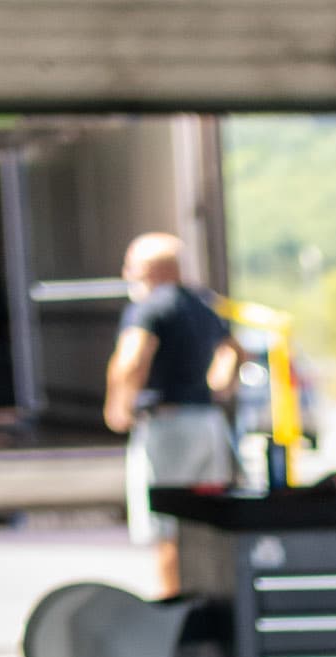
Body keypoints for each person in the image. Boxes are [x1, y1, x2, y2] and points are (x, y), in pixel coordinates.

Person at [104, 234, 238, 600]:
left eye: (130, 267)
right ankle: (209, 601)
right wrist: (217, 388)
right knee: (206, 521)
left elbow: (131, 360)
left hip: (168, 426)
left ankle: (172, 604)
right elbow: (232, 352)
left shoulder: (150, 308)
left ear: (148, 271)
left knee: (166, 527)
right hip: (207, 424)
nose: (126, 275)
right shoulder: (204, 304)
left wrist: (117, 406)